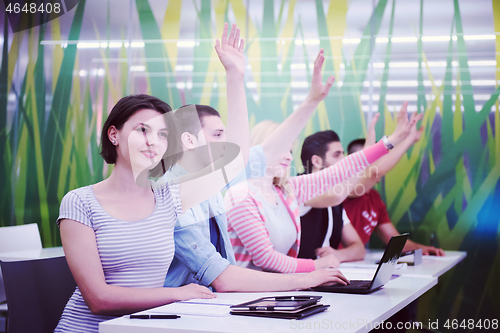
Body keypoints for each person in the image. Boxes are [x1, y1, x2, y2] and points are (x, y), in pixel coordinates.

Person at [54, 23, 253, 333]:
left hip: (141, 328)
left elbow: (237, 157)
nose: (152, 141)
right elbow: (98, 299)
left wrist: (235, 77)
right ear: (114, 134)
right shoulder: (79, 202)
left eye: (162, 134)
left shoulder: (169, 198)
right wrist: (178, 295)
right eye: (142, 129)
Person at [163, 45, 351, 291]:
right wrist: (308, 277)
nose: (227, 145)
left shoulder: (210, 186)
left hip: (209, 305)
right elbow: (223, 278)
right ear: (189, 141)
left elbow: (270, 149)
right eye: (218, 134)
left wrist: (312, 100)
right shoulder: (173, 196)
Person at [225, 102, 417, 273]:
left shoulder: (287, 189)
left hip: (280, 288)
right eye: (283, 149)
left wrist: (391, 141)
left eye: (290, 150)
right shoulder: (242, 195)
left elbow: (341, 173)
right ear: (260, 150)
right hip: (253, 296)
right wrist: (317, 268)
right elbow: (266, 260)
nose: (289, 157)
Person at [345, 131, 445, 256]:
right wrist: (408, 140)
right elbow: (376, 172)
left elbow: (394, 241)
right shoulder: (342, 191)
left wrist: (421, 248)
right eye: (372, 161)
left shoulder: (374, 198)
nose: (380, 166)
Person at [297, 130, 365, 263]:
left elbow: (359, 249)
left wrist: (340, 255)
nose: (343, 160)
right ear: (316, 161)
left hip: (324, 276)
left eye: (343, 154)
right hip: (300, 279)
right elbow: (337, 196)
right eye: (336, 155)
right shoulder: (300, 188)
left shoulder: (335, 198)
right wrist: (368, 155)